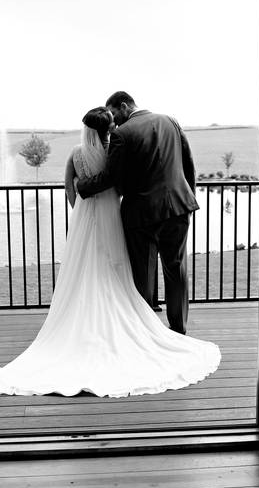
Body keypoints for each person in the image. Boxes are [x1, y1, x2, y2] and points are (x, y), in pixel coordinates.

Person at [0, 107, 220, 398]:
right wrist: (190, 193)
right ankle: (176, 327)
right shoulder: (164, 124)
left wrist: (83, 196)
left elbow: (83, 187)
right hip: (174, 205)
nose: (117, 124)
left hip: (118, 216)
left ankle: (138, 318)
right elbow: (178, 165)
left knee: (133, 269)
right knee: (170, 268)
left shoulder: (83, 151)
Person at [75, 91, 199, 335]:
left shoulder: (122, 134)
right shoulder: (170, 121)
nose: (113, 121)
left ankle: (147, 333)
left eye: (113, 113)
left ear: (124, 105)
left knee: (143, 274)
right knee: (176, 268)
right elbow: (188, 163)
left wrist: (82, 187)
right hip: (179, 208)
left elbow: (111, 177)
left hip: (142, 215)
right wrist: (188, 197)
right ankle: (179, 328)